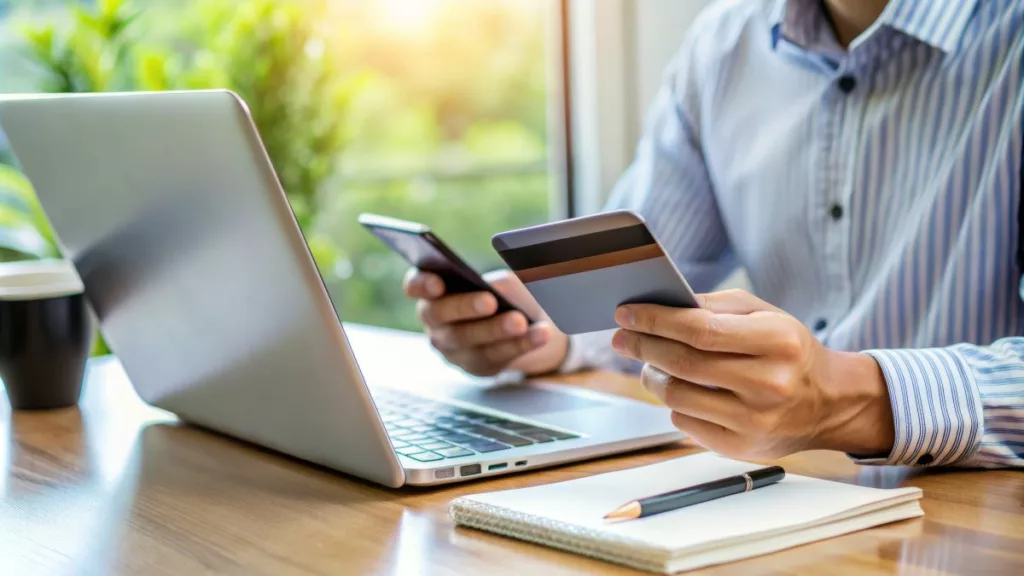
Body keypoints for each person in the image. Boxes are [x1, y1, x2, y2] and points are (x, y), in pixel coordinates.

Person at [404, 0, 1024, 469]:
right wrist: (534, 330)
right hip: (783, 501)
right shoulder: (724, 45)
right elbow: (637, 281)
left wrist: (849, 398)